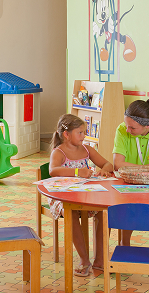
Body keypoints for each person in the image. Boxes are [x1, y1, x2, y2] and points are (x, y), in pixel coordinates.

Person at [48, 114, 114, 276]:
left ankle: (100, 260)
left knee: (104, 211)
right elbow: (53, 170)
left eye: (84, 132)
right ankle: (84, 260)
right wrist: (77, 172)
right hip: (62, 197)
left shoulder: (87, 150)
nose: (84, 136)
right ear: (66, 134)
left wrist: (104, 170)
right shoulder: (58, 152)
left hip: (85, 195)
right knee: (70, 212)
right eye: (80, 132)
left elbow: (107, 164)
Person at [112, 98, 149, 248]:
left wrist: (134, 168)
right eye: (126, 125)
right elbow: (117, 164)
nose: (127, 130)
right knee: (128, 206)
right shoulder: (122, 129)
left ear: (147, 125)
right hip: (129, 181)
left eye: (132, 128)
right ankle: (124, 243)